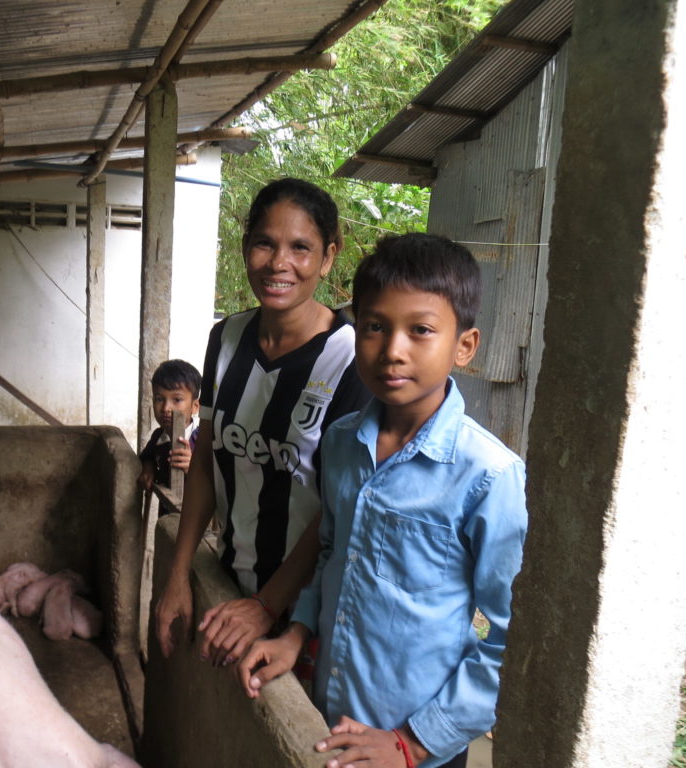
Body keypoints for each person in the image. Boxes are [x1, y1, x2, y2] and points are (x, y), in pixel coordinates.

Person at [237, 232, 528, 768]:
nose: (392, 350)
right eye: (374, 327)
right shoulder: (343, 441)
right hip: (330, 718)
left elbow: (510, 639)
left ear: (464, 345)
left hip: (416, 748)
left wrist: (411, 744)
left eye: (420, 330)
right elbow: (331, 554)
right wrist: (296, 635)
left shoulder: (487, 475)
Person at [154, 177, 370, 666]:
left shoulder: (350, 358)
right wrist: (177, 577)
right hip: (229, 581)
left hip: (307, 615)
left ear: (329, 257)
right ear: (245, 246)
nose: (279, 264)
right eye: (264, 244)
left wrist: (267, 605)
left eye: (301, 248)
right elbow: (207, 461)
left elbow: (336, 507)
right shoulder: (226, 338)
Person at [138, 359, 202, 493]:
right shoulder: (158, 436)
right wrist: (148, 467)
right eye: (159, 399)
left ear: (195, 406)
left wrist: (194, 469)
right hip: (166, 510)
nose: (166, 408)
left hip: (196, 511)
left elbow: (217, 480)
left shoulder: (203, 439)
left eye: (177, 400)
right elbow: (147, 455)